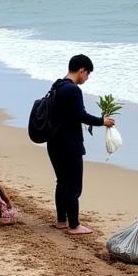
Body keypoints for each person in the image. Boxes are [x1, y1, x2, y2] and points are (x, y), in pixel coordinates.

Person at [45, 53, 115, 235]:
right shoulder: (73, 90)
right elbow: (80, 115)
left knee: (62, 182)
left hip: (54, 142)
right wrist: (102, 121)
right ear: (82, 70)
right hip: (69, 144)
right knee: (74, 185)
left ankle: (62, 221)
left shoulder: (57, 85)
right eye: (88, 74)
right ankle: (74, 225)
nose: (87, 78)